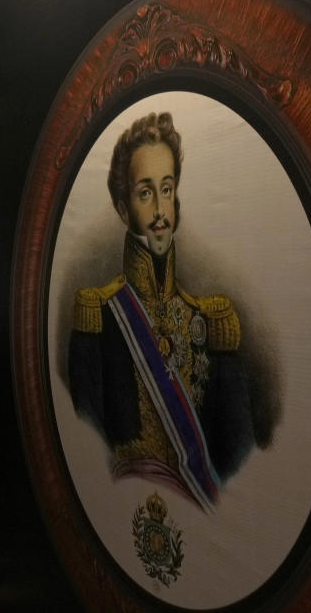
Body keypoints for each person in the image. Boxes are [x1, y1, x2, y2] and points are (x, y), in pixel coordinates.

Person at [68, 112, 255, 511]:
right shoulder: (98, 316)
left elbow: (237, 456)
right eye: (145, 192)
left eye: (166, 190)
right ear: (123, 209)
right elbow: (87, 454)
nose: (159, 212)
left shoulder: (209, 320)